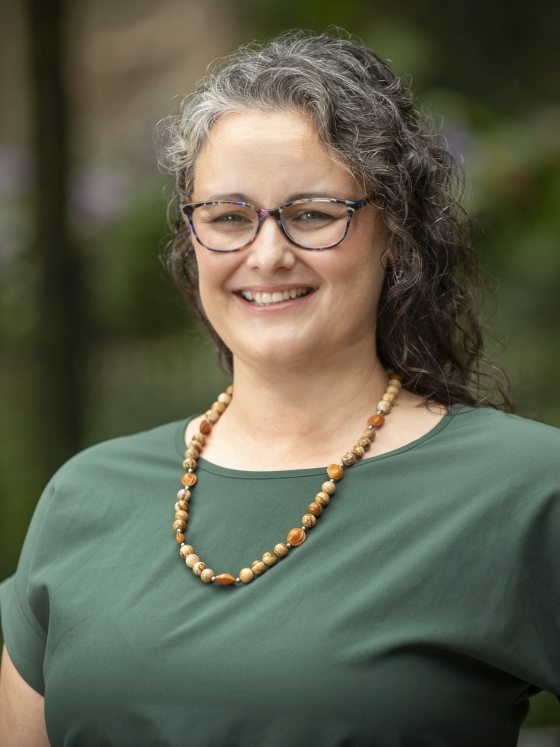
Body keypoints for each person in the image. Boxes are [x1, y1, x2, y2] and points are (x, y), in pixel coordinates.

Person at [0, 30, 558, 747]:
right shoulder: (86, 495)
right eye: (229, 217)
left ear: (396, 235)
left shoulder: (525, 489)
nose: (267, 253)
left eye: (313, 214)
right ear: (193, 239)